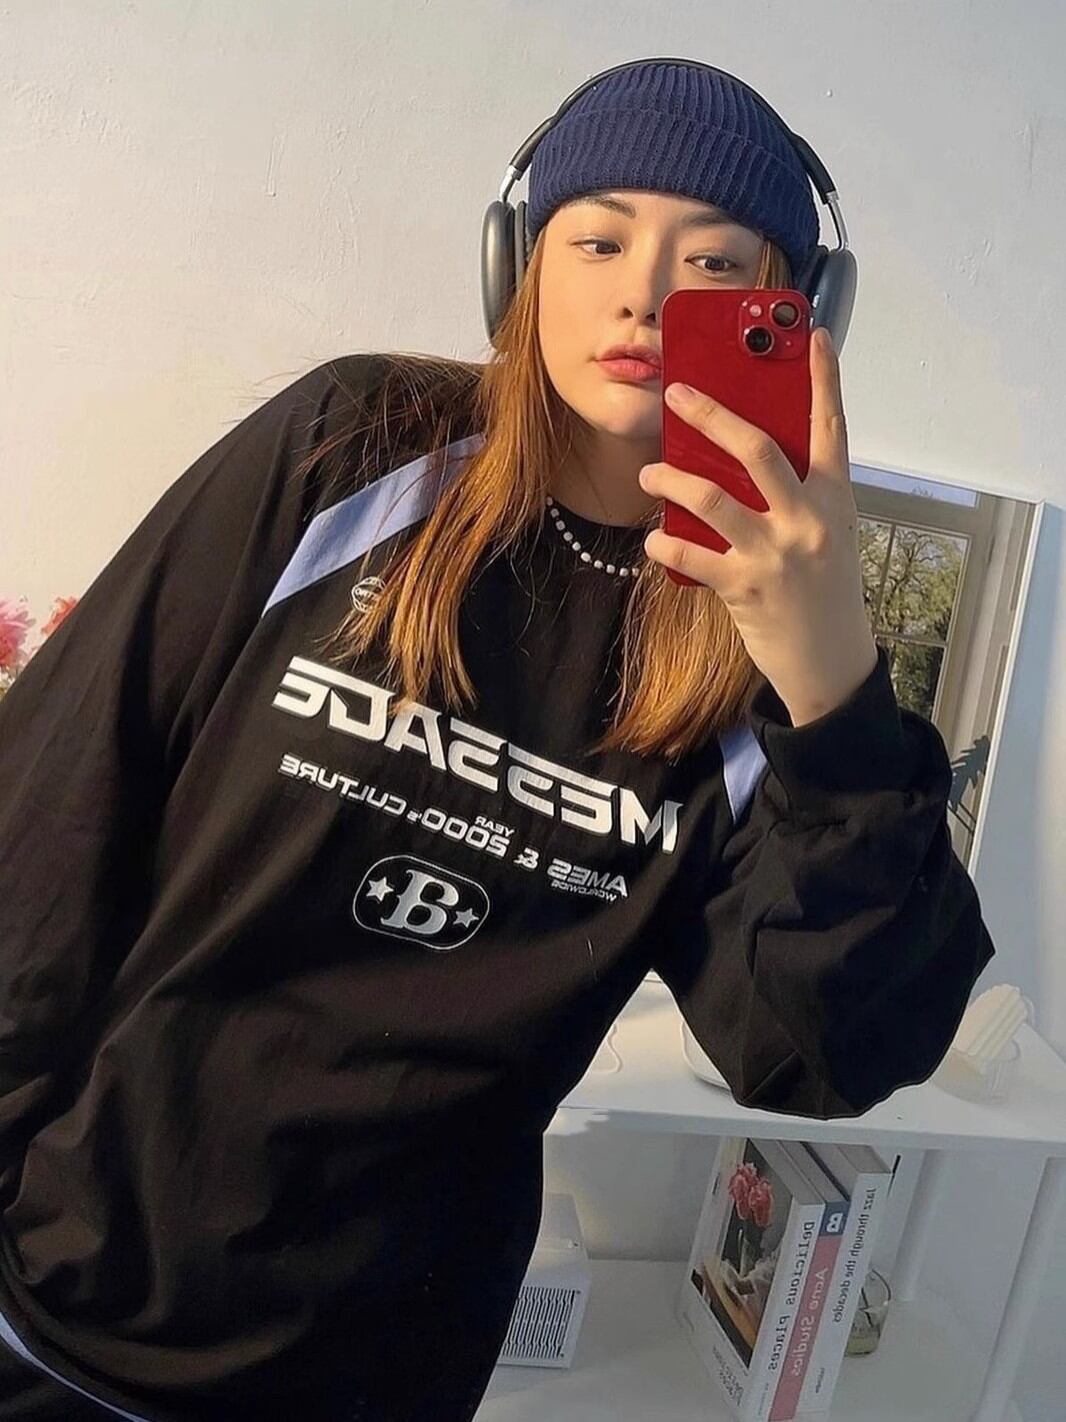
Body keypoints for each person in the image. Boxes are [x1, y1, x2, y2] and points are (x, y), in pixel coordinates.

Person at [0, 59, 995, 1422]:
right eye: (599, 240)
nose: (647, 294)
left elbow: (823, 1050)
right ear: (517, 266)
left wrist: (833, 685)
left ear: (800, 312)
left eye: (716, 263)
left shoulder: (753, 636)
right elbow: (53, 814)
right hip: (61, 1306)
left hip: (375, 1374)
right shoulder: (354, 451)